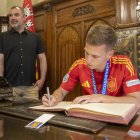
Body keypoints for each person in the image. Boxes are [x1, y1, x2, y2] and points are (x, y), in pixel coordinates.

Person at [42, 24, 140, 107]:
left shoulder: (124, 64)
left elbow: (137, 100)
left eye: (95, 56)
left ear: (109, 54)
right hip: (90, 117)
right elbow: (61, 91)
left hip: (117, 118)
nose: (88, 60)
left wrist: (101, 98)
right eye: (86, 53)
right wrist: (54, 97)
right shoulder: (79, 65)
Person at [0, 6, 47, 101]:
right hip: (9, 88)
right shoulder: (2, 37)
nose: (13, 18)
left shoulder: (35, 37)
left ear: (24, 17)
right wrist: (1, 84)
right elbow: (0, 61)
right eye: (10, 15)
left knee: (32, 115)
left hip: (31, 88)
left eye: (16, 15)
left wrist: (42, 79)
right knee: (8, 115)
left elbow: (42, 58)